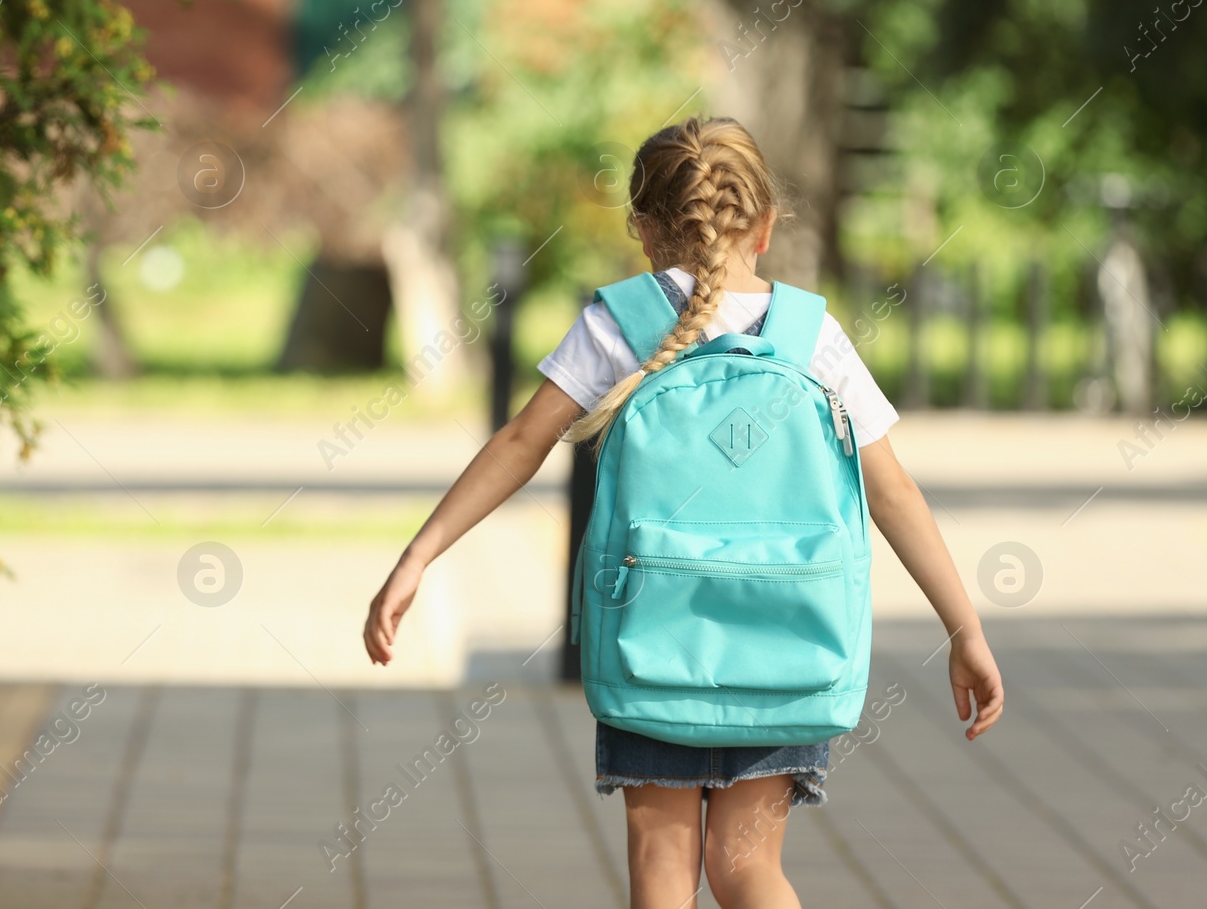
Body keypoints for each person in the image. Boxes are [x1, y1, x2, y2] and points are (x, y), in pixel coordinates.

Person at [362, 116, 1005, 909]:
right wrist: (964, 628)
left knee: (663, 872)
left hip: (652, 644)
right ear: (766, 226)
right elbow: (894, 491)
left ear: (642, 229)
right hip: (788, 644)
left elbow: (521, 441)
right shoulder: (812, 336)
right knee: (749, 871)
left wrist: (418, 556)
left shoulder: (619, 323)